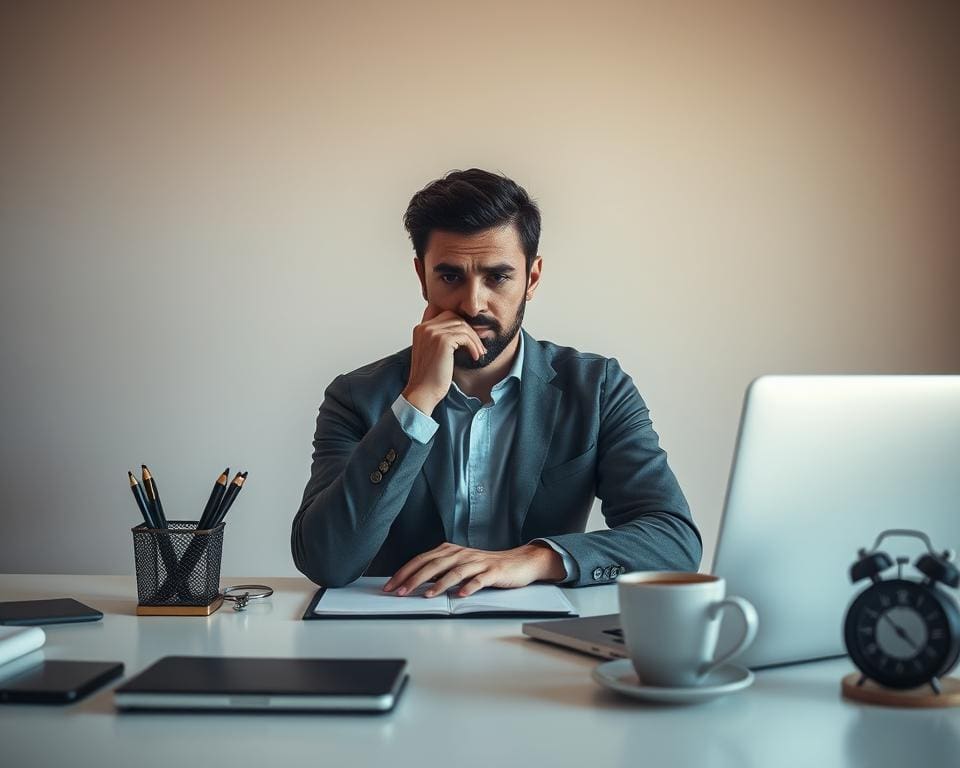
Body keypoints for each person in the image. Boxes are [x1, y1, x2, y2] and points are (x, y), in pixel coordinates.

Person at [291, 169, 701, 597]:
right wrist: (415, 404)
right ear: (421, 276)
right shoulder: (356, 396)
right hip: (399, 634)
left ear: (532, 278)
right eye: (450, 276)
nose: (473, 303)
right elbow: (326, 560)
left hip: (541, 639)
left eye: (497, 277)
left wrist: (533, 559)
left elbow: (673, 540)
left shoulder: (598, 388)